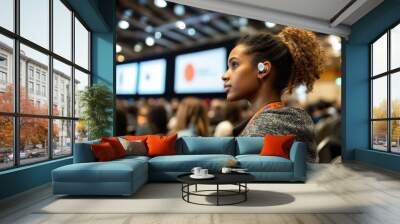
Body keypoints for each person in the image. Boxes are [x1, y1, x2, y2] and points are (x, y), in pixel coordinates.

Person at [222, 27, 325, 162]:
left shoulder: (270, 127)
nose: (224, 75)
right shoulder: (270, 121)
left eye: (234, 65)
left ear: (263, 69)